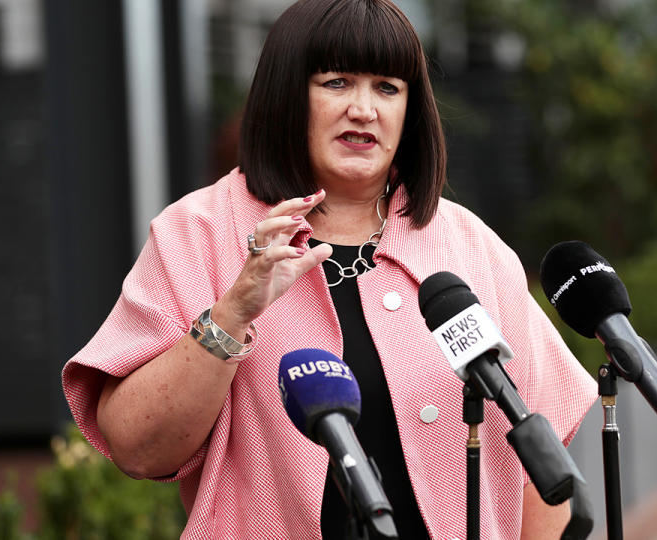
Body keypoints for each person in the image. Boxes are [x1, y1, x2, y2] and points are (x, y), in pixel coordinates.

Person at [62, 0, 598, 538]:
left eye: (387, 87)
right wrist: (232, 313)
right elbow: (136, 447)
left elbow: (538, 463)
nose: (364, 109)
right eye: (337, 83)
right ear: (286, 95)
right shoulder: (198, 234)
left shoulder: (469, 245)